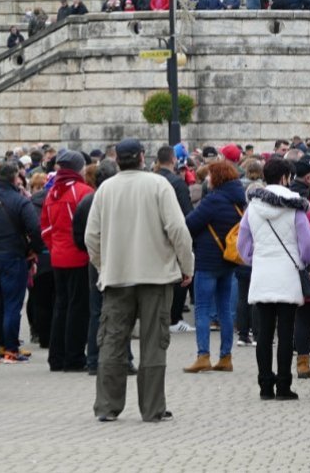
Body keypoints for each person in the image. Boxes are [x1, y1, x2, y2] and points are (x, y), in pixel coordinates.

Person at [85, 139, 194, 422]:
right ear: (143, 157)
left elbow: (91, 237)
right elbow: (178, 230)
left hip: (117, 277)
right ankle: (152, 407)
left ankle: (107, 406)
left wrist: (104, 266)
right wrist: (186, 266)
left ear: (117, 160)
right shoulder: (159, 185)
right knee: (154, 343)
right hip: (156, 276)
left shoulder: (105, 189)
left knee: (112, 341)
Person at [236, 158, 310, 401]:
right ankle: (283, 385)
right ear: (285, 178)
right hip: (287, 273)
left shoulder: (253, 207)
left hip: (262, 272)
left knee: (264, 334)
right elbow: (308, 246)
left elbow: (242, 244)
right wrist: (303, 262)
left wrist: (255, 258)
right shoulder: (295, 207)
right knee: (286, 332)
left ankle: (265, 385)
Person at [183, 160, 246, 373]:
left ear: (217, 178)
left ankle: (203, 356)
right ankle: (226, 357)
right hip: (228, 261)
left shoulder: (213, 200)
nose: (207, 179)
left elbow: (189, 224)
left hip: (208, 261)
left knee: (202, 308)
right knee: (224, 309)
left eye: (210, 175)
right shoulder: (239, 200)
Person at [0, 164, 43, 364]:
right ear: (15, 178)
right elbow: (34, 228)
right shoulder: (20, 201)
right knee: (12, 305)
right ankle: (10, 349)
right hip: (13, 256)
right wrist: (34, 249)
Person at [40, 149, 93, 372]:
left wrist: (55, 248)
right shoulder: (84, 191)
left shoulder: (51, 193)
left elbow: (45, 228)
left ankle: (56, 357)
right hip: (79, 257)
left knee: (60, 306)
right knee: (78, 308)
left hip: (58, 256)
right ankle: (74, 358)